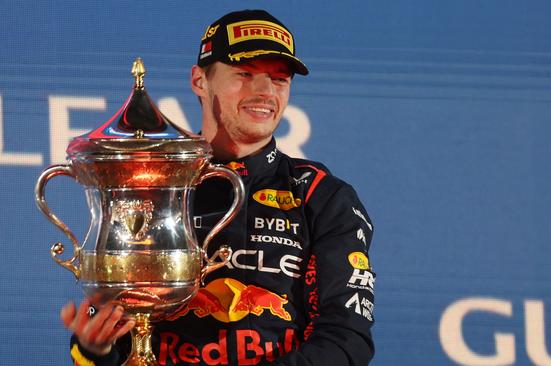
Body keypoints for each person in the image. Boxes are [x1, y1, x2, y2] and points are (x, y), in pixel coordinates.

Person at [61, 9, 376, 365]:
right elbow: (116, 332)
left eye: (279, 79)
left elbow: (347, 340)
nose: (264, 92)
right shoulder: (150, 182)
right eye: (244, 74)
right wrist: (95, 346)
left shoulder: (321, 195)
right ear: (199, 80)